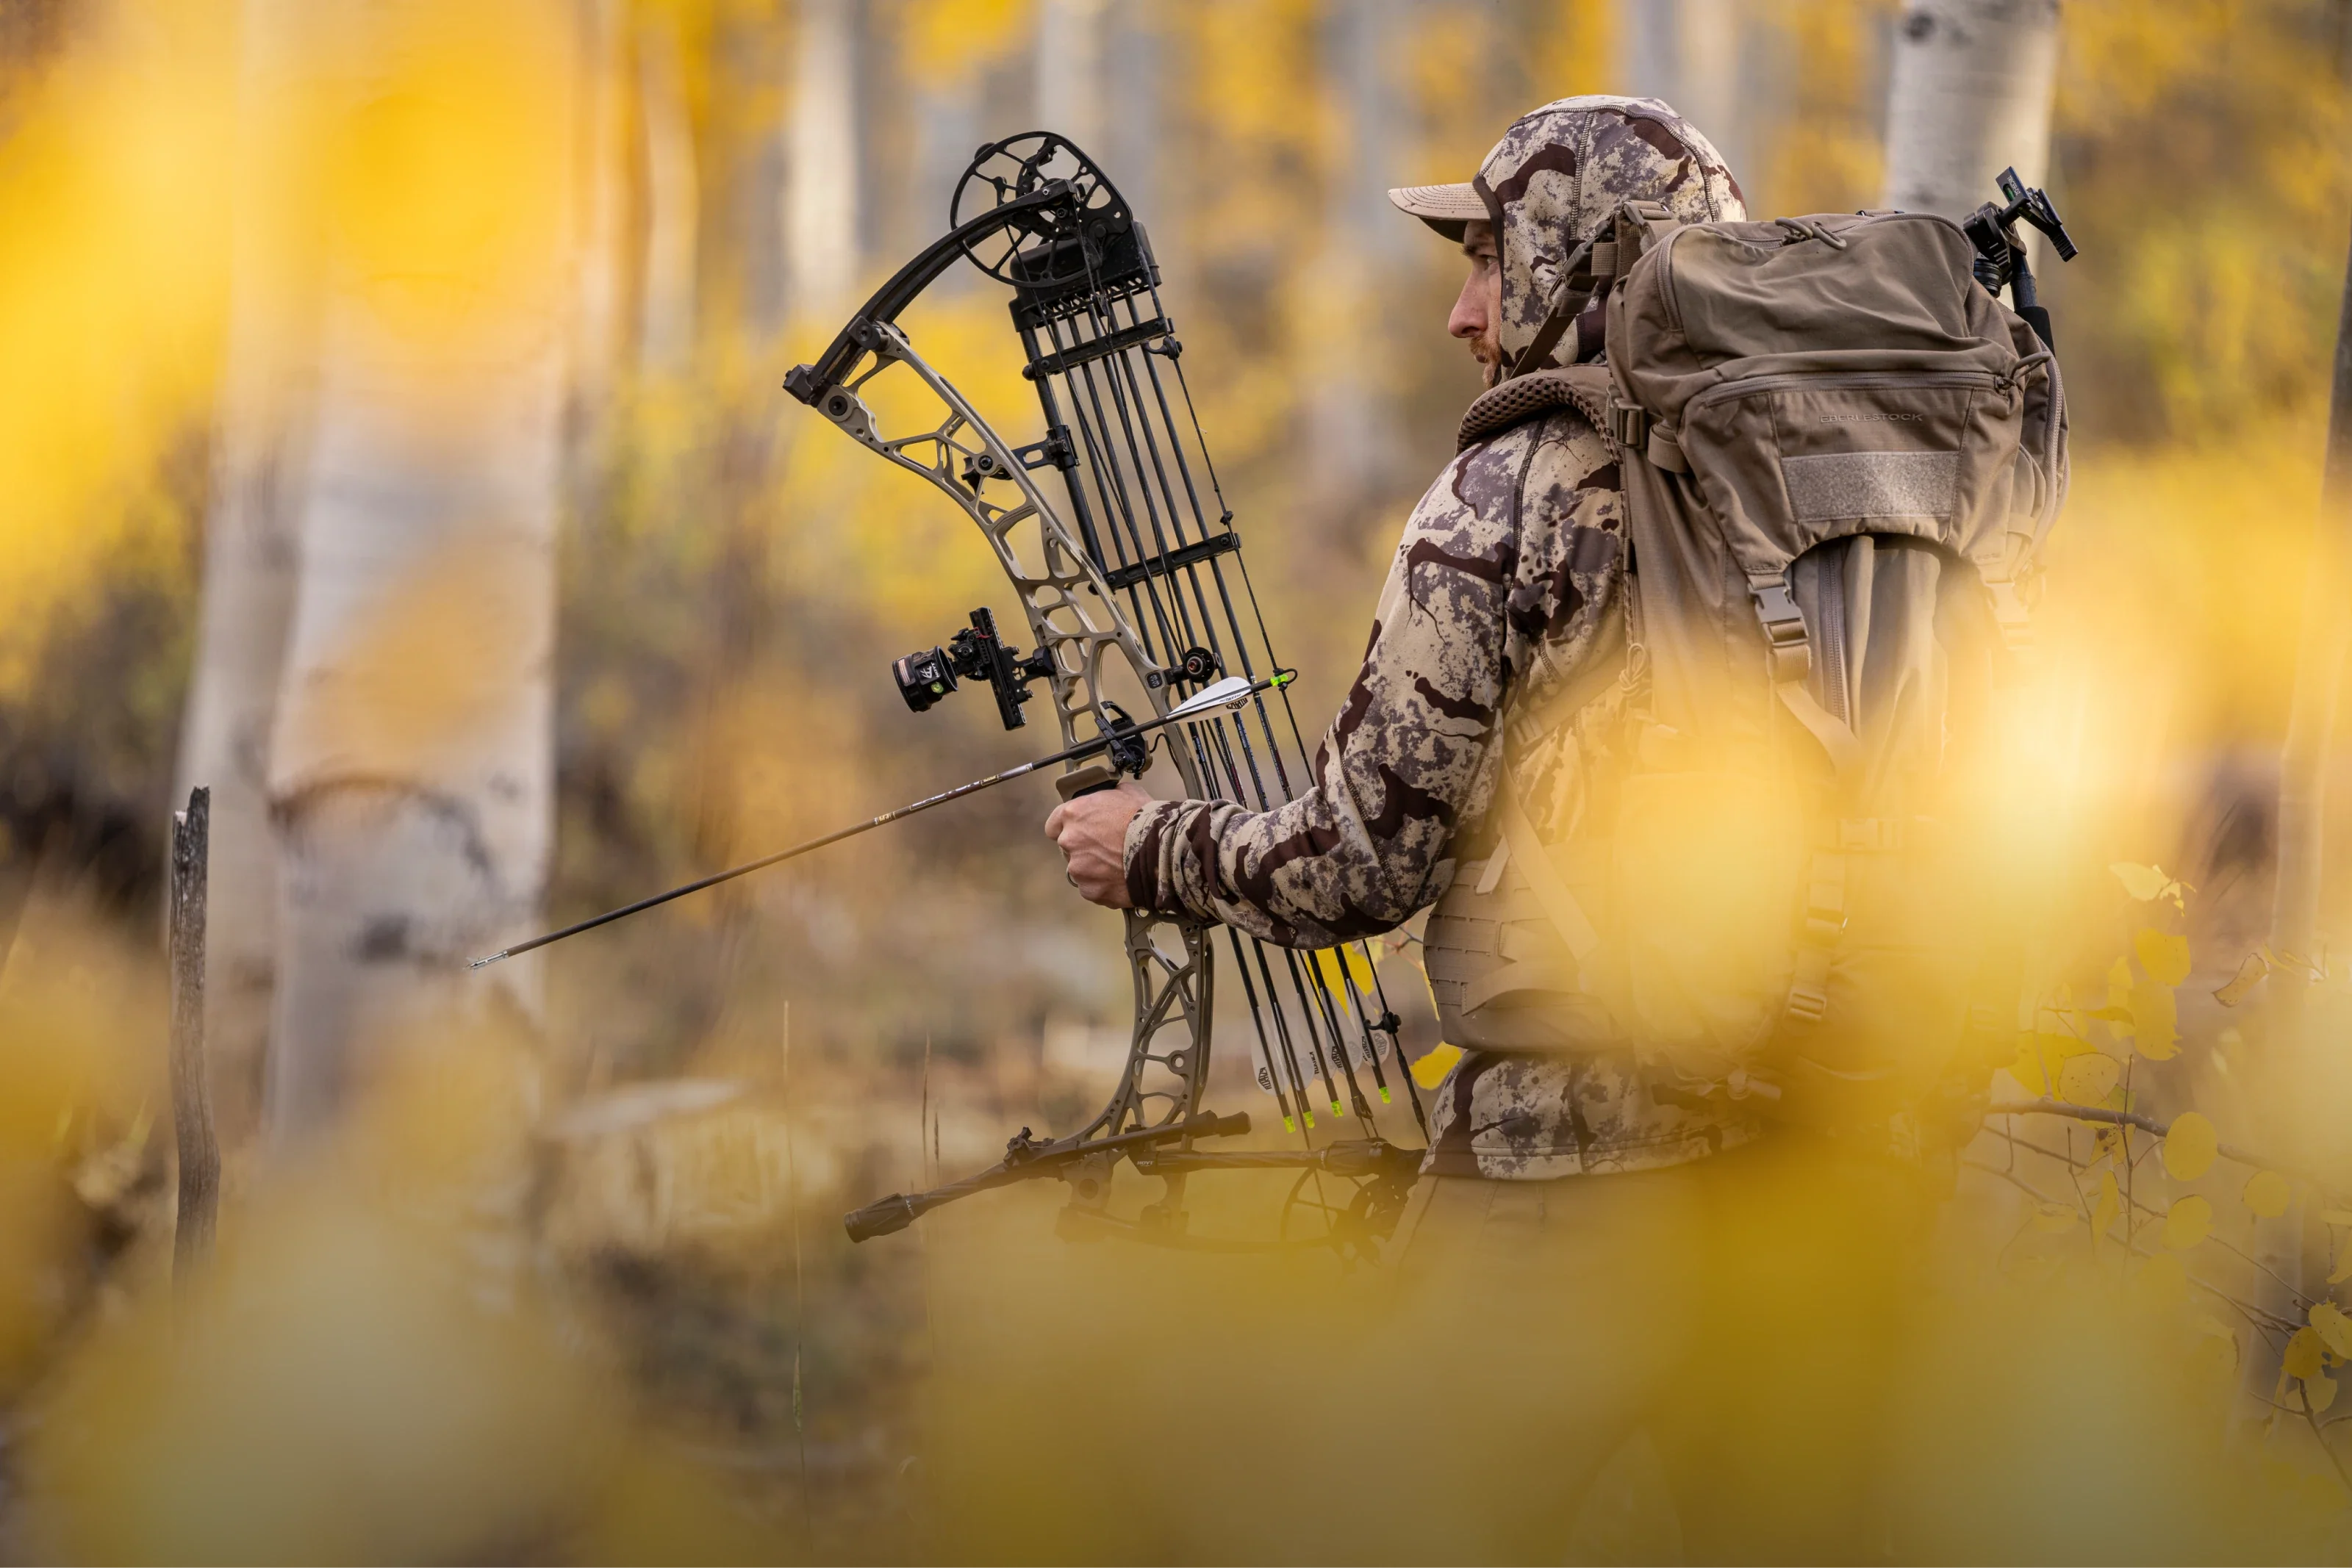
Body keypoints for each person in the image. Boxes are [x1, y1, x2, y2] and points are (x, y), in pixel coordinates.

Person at [1047, 97, 1929, 1566]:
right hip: (1821, 1177)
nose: (1464, 312)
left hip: (1560, 1187)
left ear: (1585, 260)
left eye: (1491, 259)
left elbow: (1358, 860)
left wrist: (1154, 846)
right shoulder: (1847, 477)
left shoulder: (1505, 493)